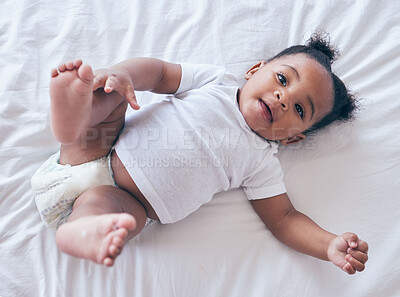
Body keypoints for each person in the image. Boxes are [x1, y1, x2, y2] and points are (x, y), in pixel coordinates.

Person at [31, 33, 368, 271]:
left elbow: (284, 219)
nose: (283, 98)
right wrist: (124, 74)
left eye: (299, 110)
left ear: (293, 139)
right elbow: (161, 72)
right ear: (255, 70)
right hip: (104, 145)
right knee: (115, 97)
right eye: (282, 79)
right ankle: (73, 112)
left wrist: (327, 245)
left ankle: (85, 230)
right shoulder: (217, 82)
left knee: (120, 217)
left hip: (127, 201)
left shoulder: (262, 161)